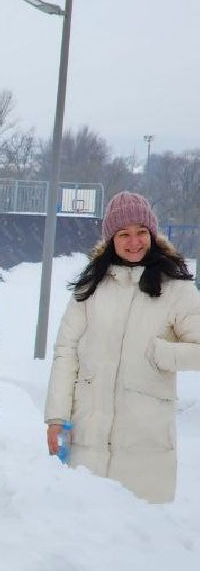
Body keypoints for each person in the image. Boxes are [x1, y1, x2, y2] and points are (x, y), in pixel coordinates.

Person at [44, 192, 200, 503]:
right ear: (111, 239)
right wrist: (56, 417)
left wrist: (162, 354)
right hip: (88, 440)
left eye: (141, 232)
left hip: (146, 447)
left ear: (152, 235)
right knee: (86, 532)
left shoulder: (176, 288)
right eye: (124, 234)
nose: (134, 242)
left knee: (136, 539)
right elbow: (66, 353)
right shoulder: (90, 287)